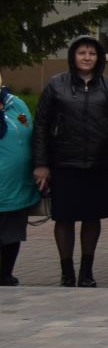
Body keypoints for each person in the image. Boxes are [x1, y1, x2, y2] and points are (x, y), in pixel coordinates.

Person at [32, 34, 108, 288]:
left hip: (97, 163)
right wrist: (41, 163)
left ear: (99, 58)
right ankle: (67, 272)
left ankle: (87, 271)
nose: (87, 58)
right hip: (64, 162)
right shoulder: (56, 85)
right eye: (82, 53)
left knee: (92, 217)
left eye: (92, 53)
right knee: (64, 218)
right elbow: (41, 124)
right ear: (72, 56)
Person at [0, 69, 35, 285]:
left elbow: (31, 132)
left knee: (12, 234)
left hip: (16, 186)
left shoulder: (16, 104)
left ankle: (5, 275)